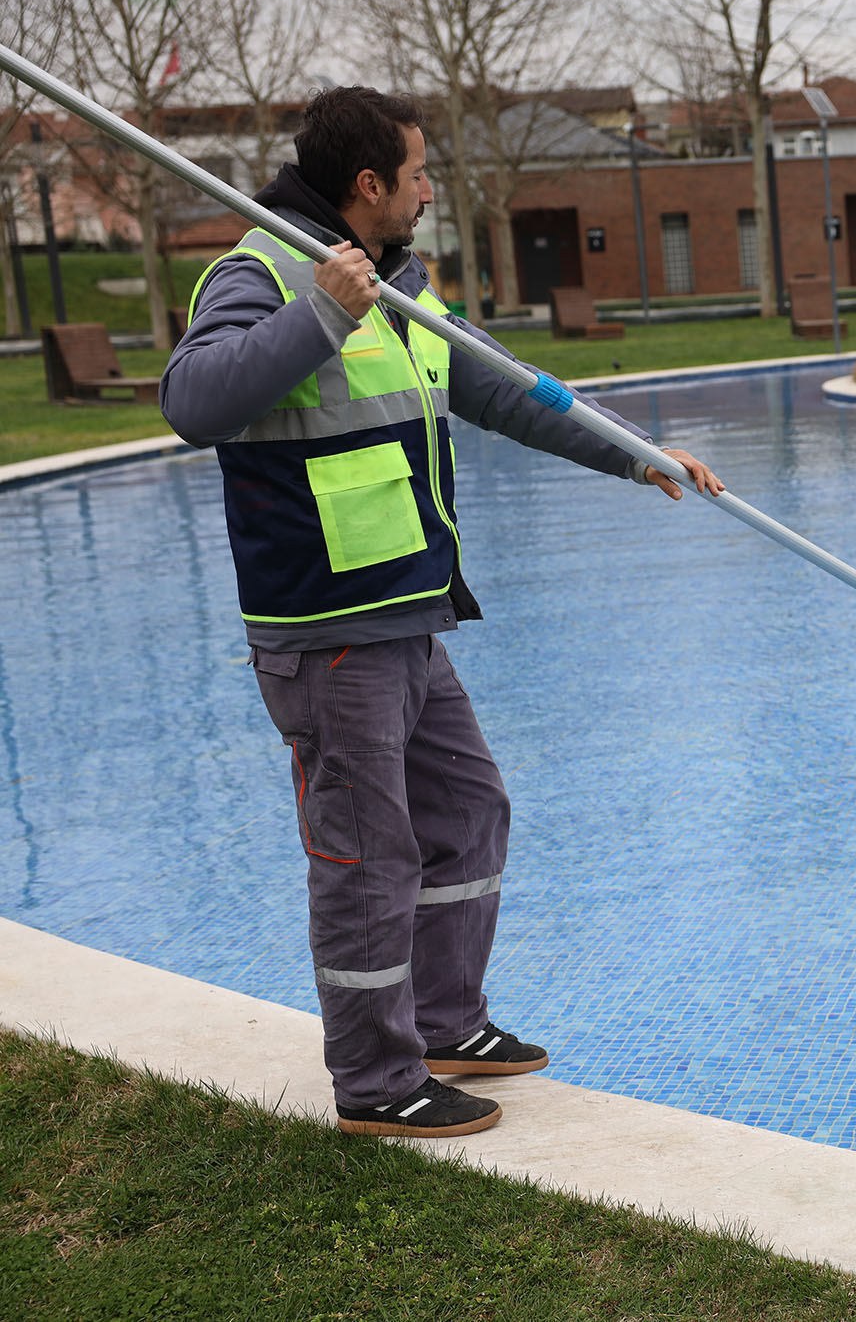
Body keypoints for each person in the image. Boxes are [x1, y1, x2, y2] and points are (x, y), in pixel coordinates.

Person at [159, 87, 723, 1139]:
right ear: (369, 183)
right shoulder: (263, 272)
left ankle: (444, 1022)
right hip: (329, 632)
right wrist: (322, 312)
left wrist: (632, 453)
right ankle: (377, 1080)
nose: (429, 191)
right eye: (418, 174)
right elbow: (192, 404)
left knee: (468, 813)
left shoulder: (398, 281)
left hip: (407, 615)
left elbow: (505, 388)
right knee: (367, 858)